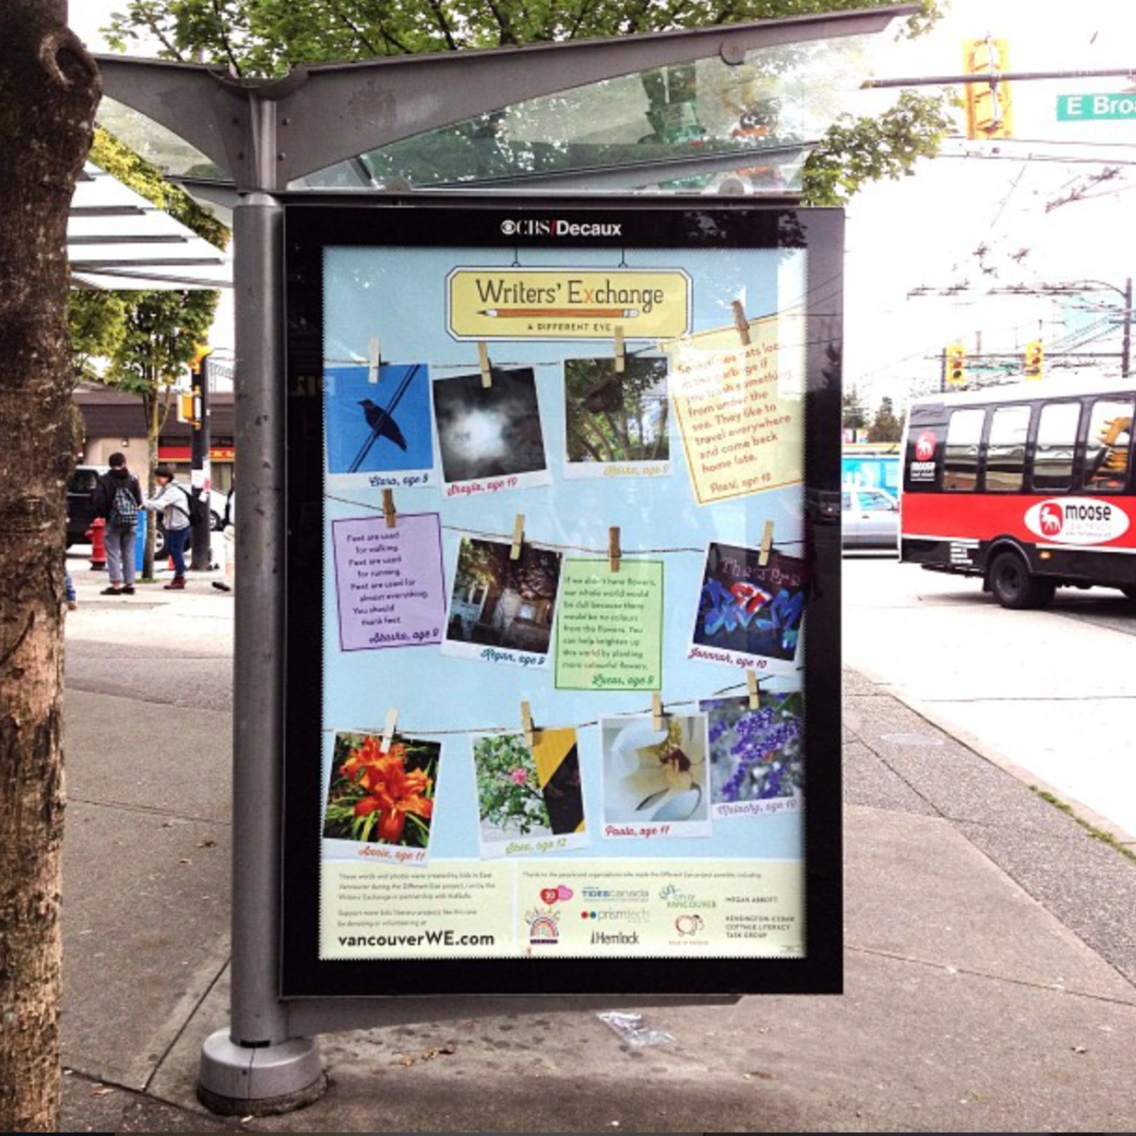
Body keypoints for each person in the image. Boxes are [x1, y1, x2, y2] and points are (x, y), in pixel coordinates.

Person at [93, 452, 142, 596]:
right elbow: (139, 500)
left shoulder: (104, 480)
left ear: (110, 464)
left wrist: (102, 515)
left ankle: (116, 584)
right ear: (124, 463)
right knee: (129, 551)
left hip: (113, 520)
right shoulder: (132, 479)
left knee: (113, 551)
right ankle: (130, 583)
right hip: (130, 521)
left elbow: (99, 500)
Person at [144, 465, 193, 590]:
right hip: (172, 524)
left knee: (176, 550)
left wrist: (142, 502)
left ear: (167, 477)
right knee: (172, 550)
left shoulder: (173, 491)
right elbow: (154, 500)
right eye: (157, 476)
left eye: (160, 477)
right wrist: (145, 501)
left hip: (180, 524)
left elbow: (159, 505)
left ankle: (180, 577)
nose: (158, 479)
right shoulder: (165, 489)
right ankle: (179, 575)